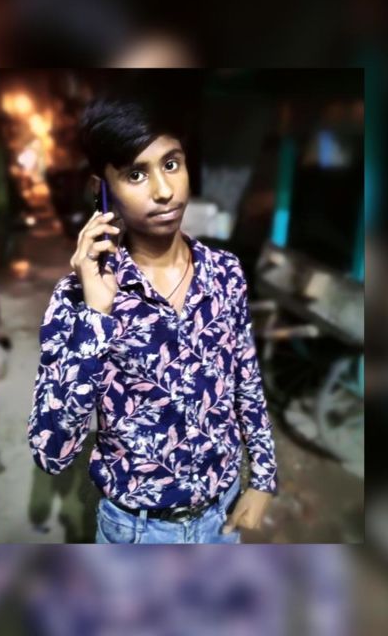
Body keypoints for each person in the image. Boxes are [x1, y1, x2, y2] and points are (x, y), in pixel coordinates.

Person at [27, 95, 278, 543]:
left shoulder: (224, 272)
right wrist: (97, 314)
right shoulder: (79, 297)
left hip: (222, 516)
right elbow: (51, 452)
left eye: (172, 164)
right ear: (101, 189)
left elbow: (246, 379)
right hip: (137, 529)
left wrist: (262, 477)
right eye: (136, 175)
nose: (164, 191)